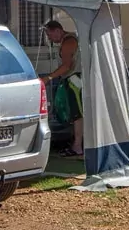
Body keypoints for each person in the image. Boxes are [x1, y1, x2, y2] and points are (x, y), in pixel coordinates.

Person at [41, 20, 83, 157]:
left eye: (50, 35)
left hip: (74, 81)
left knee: (77, 114)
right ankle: (76, 143)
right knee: (73, 113)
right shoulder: (68, 40)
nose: (50, 39)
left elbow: (67, 66)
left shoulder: (68, 42)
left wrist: (49, 78)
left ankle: (77, 146)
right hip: (72, 80)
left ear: (58, 31)